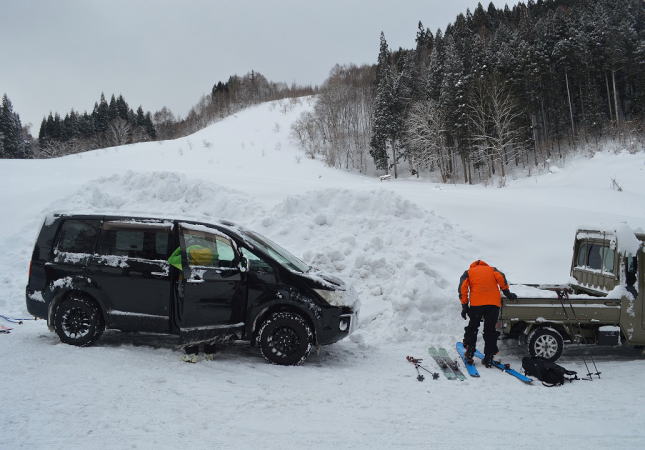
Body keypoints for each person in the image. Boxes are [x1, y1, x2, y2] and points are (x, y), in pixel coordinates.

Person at [458, 260, 517, 367]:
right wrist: (507, 293)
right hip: (493, 305)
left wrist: (465, 306)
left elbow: (463, 289)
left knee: (473, 328)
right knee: (490, 330)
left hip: (477, 305)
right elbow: (501, 278)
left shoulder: (469, 272)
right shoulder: (492, 269)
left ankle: (470, 352)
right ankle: (488, 357)